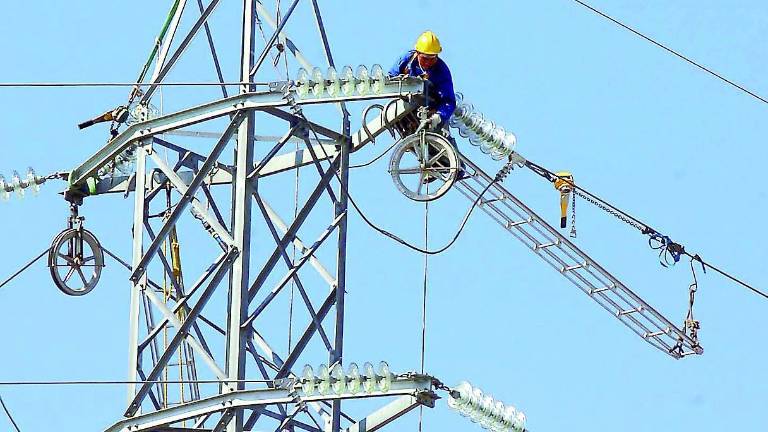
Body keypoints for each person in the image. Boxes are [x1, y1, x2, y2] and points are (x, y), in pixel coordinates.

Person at [388, 31, 456, 131]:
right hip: (405, 112)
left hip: (430, 115)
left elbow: (449, 101)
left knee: (442, 140)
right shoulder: (407, 60)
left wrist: (438, 116)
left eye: (432, 59)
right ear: (417, 53)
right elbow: (391, 79)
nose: (428, 62)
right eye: (424, 58)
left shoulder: (441, 71)